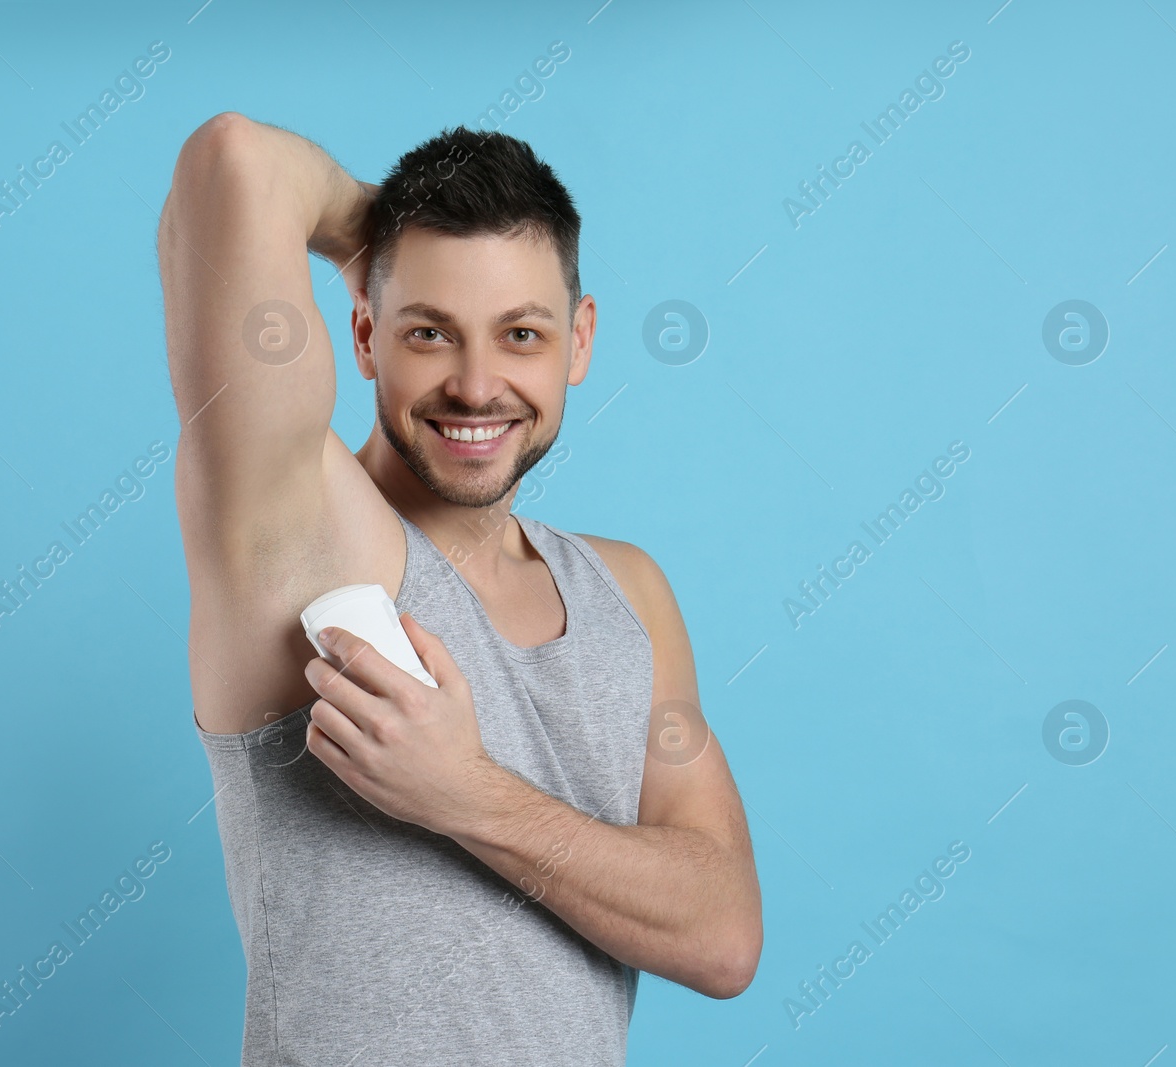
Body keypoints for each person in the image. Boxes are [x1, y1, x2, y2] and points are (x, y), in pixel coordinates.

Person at [157, 111, 762, 1065]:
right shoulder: (296, 531)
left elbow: (723, 933)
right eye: (429, 331)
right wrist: (380, 227)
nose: (478, 386)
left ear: (580, 339)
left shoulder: (628, 592)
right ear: (363, 333)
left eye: (521, 333)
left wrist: (466, 793)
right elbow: (233, 160)